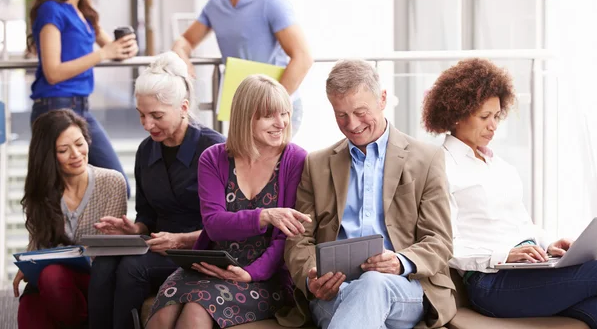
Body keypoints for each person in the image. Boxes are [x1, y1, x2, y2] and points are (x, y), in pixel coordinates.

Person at [422, 57, 597, 328]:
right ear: (456, 114)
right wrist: (502, 255)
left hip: (528, 272)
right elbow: (445, 245)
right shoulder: (440, 167)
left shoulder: (500, 166)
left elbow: (521, 224)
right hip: (491, 282)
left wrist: (548, 245)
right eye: (484, 117)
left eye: (496, 116)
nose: (493, 125)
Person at [282, 59, 456, 329]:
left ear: (383, 98)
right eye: (341, 114)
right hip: (335, 292)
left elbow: (440, 241)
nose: (352, 124)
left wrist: (400, 262)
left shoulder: (427, 158)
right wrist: (310, 279)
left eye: (360, 111)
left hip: (402, 286)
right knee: (362, 300)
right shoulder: (316, 165)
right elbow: (299, 239)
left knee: (373, 283)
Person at [146, 74, 310, 328]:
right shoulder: (213, 158)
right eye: (269, 115)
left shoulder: (295, 159)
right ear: (246, 117)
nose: (281, 123)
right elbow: (214, 224)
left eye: (284, 113)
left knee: (196, 311)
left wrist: (251, 273)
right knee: (163, 314)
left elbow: (285, 239)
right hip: (211, 264)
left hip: (266, 274)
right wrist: (264, 216)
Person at [87, 52, 226, 329]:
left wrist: (180, 240)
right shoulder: (145, 151)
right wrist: (134, 229)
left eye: (156, 115)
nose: (147, 125)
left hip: (200, 247)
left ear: (183, 107)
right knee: (103, 266)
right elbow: (147, 215)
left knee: (132, 268)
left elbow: (228, 224)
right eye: (141, 115)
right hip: (158, 246)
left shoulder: (214, 149)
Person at [172, 0, 313, 135]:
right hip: (245, 110)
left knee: (273, 168)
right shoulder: (216, 3)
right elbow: (185, 40)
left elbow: (303, 57)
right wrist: (182, 55)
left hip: (276, 110)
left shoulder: (270, 1)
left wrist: (270, 108)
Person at [28, 0, 138, 194]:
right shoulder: (51, 10)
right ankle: (59, 233)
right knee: (53, 188)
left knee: (118, 183)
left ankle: (92, 231)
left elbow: (111, 48)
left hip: (81, 108)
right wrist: (104, 54)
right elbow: (53, 71)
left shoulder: (85, 14)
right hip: (54, 107)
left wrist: (124, 48)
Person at [13, 109, 127, 329]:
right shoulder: (41, 190)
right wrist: (28, 263)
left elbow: (109, 251)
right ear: (48, 156)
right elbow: (38, 241)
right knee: (30, 310)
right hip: (50, 282)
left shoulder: (112, 182)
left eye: (79, 143)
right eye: (63, 150)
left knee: (52, 275)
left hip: (94, 280)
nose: (76, 154)